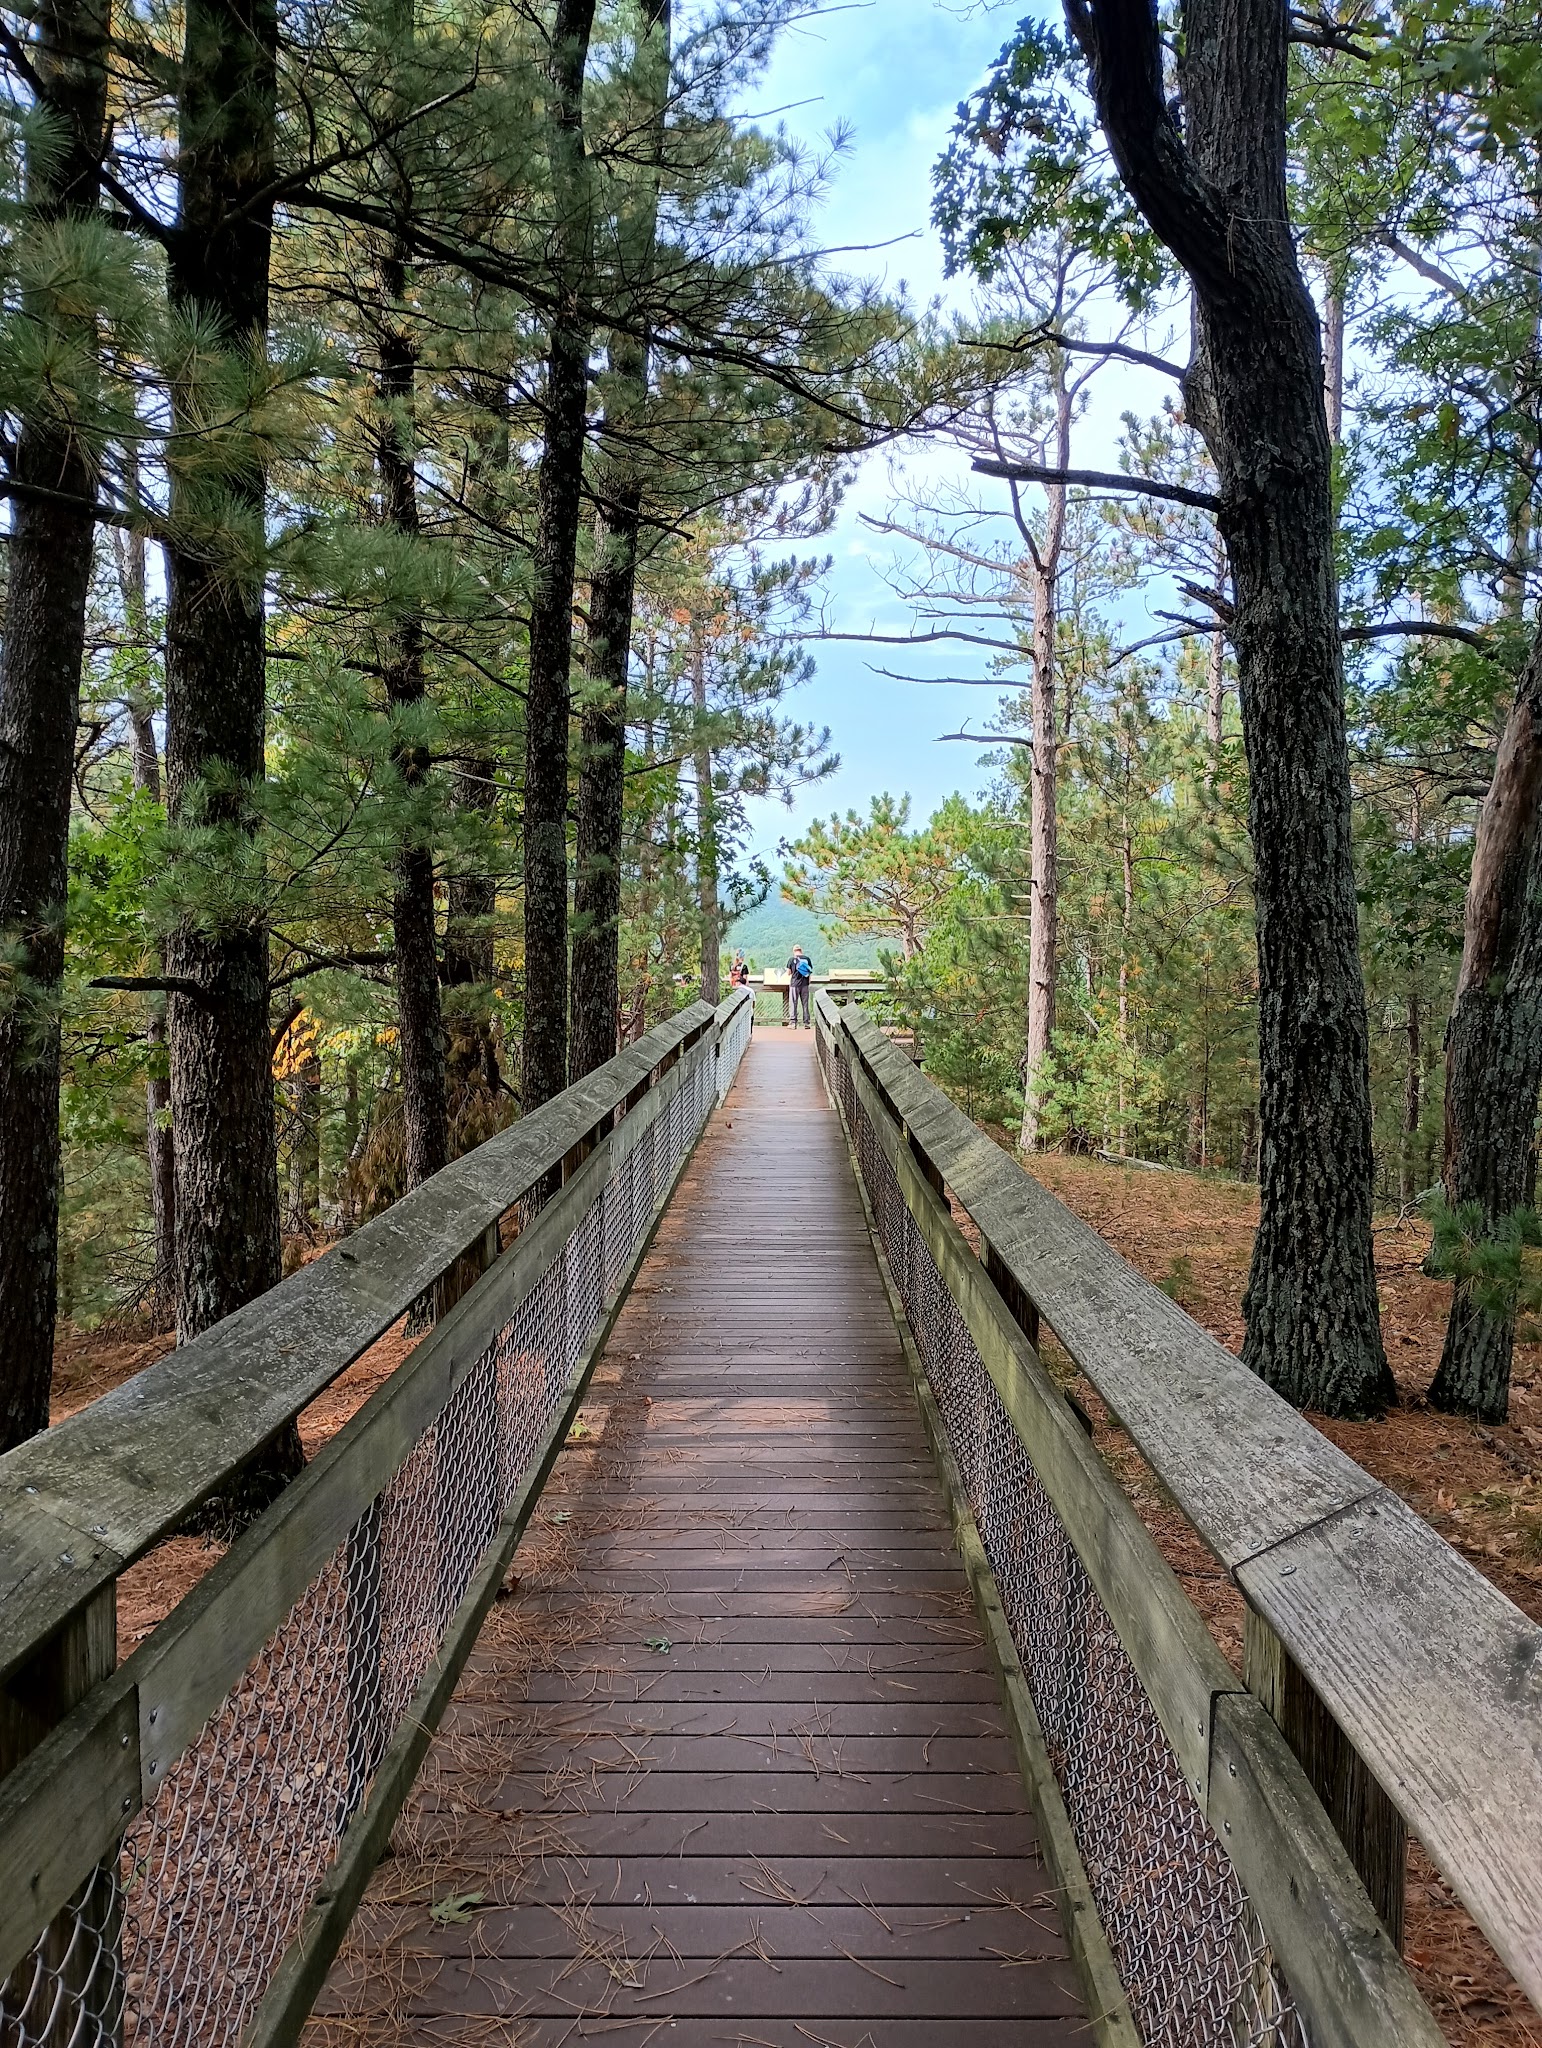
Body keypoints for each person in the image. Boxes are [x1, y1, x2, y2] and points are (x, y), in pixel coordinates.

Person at [787, 944, 813, 1026]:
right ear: (801, 950)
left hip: (794, 984)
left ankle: (793, 1022)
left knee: (793, 1003)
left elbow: (789, 973)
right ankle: (807, 1023)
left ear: (794, 951)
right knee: (805, 1004)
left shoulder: (791, 960)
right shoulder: (807, 959)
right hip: (805, 984)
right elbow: (810, 972)